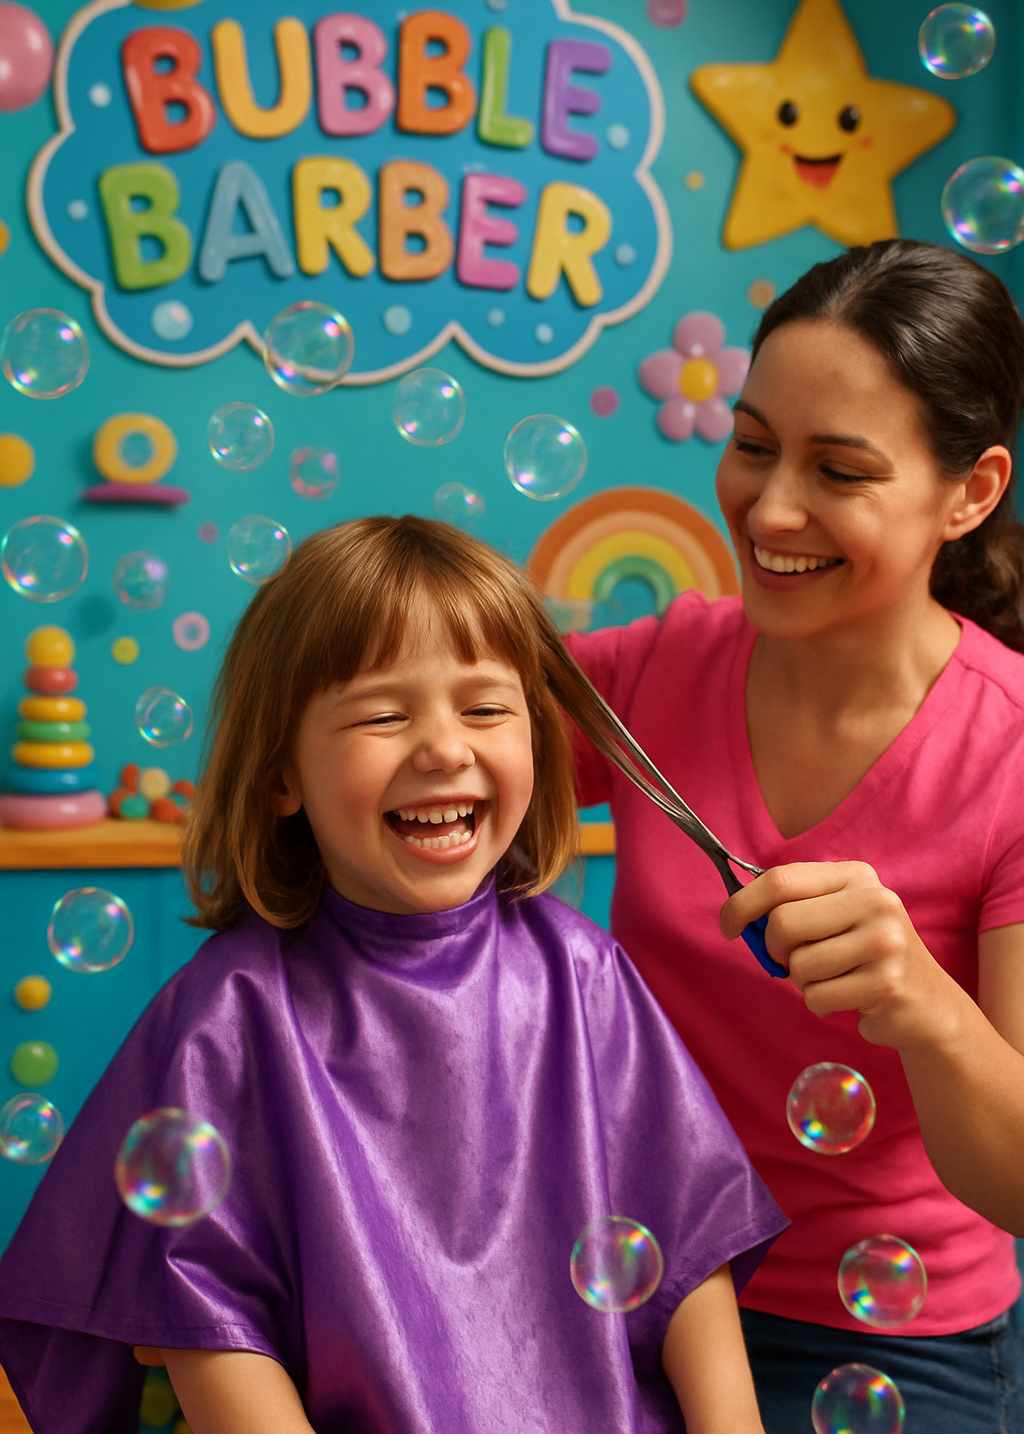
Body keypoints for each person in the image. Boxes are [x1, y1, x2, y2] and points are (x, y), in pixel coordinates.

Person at [0, 516, 786, 1434]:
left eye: (487, 709)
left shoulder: (583, 975)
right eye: (382, 714)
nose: (445, 748)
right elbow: (207, 1324)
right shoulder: (232, 1014)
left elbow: (688, 1253)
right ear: (280, 775)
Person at [567, 238, 1024, 1433]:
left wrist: (923, 1001)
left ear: (968, 493)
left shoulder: (1013, 754)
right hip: (629, 1294)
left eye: (840, 470)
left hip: (890, 1342)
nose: (769, 510)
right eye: (754, 445)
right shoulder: (653, 670)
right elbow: (452, 739)